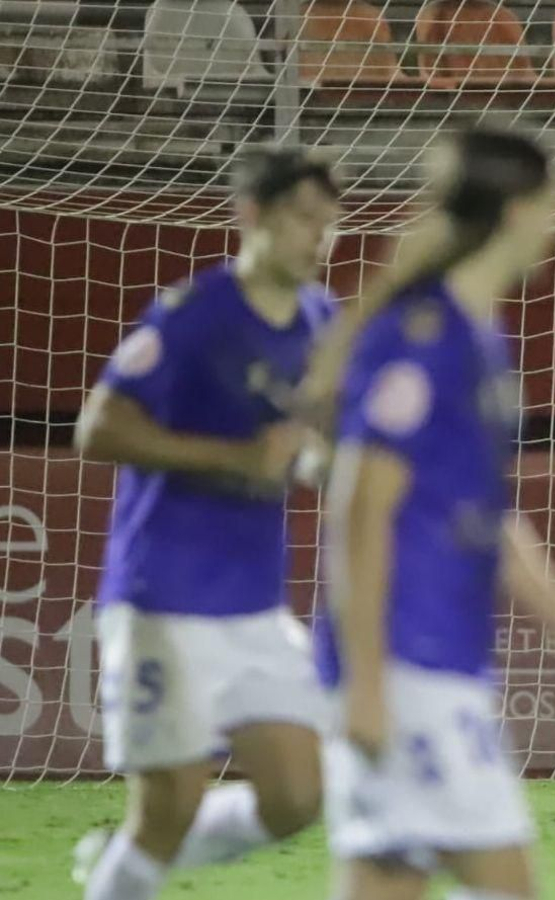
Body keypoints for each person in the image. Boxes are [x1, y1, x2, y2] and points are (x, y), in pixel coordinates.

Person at [317, 127, 555, 900]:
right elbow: (359, 509)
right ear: (520, 210)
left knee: (389, 880)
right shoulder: (425, 338)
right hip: (401, 662)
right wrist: (365, 682)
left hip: (438, 658)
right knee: (498, 881)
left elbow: (487, 519)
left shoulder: (480, 337)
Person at [72, 147, 341, 900]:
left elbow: (317, 431)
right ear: (251, 216)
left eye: (328, 224)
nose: (317, 239)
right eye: (301, 220)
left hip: (253, 606)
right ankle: (135, 861)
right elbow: (98, 429)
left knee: (296, 799)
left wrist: (318, 454)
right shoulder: (193, 315)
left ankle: (129, 860)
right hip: (163, 593)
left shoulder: (323, 319)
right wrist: (234, 455)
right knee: (167, 810)